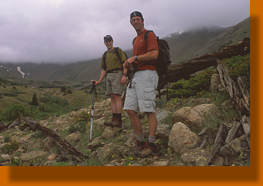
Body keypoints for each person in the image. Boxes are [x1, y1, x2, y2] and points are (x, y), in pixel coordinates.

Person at [123, 11, 159, 157]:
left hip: (148, 73)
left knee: (148, 109)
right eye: (133, 20)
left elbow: (154, 54)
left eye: (138, 19)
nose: (136, 22)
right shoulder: (135, 39)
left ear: (142, 21)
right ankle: (140, 142)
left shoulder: (149, 35)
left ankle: (151, 145)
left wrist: (135, 57)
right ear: (131, 23)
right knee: (130, 109)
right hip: (136, 76)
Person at [92, 35, 127, 128]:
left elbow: (125, 63)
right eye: (106, 41)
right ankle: (114, 118)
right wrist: (99, 81)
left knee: (117, 96)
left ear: (112, 41)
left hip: (117, 73)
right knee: (112, 96)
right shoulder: (105, 55)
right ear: (104, 43)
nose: (108, 43)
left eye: (109, 41)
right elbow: (104, 69)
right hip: (109, 75)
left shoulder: (118, 51)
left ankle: (118, 120)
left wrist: (124, 75)